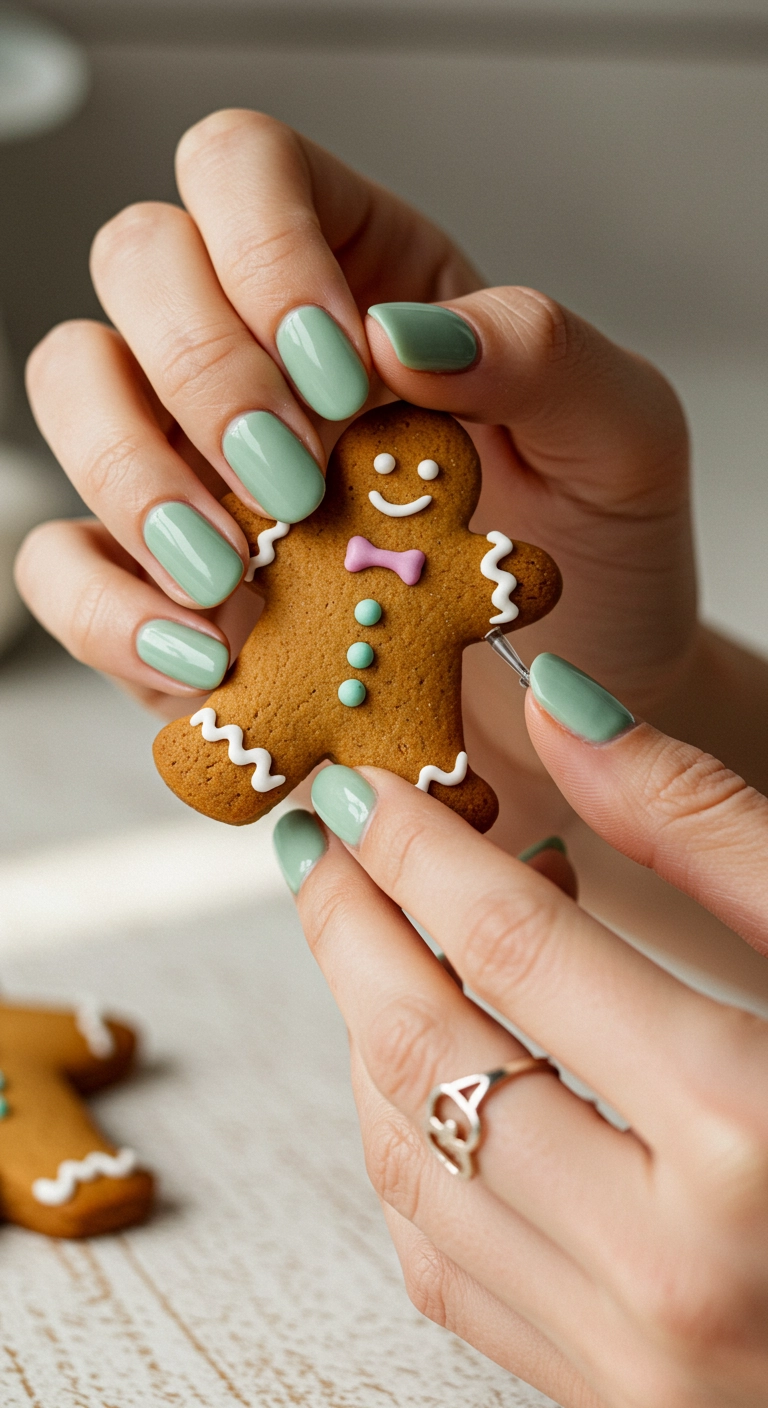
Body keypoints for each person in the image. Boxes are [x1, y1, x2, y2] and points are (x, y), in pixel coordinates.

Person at [15, 109, 768, 1407]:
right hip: (308, 711)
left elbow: (498, 576)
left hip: (409, 738)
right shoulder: (311, 537)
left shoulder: (465, 560)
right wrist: (667, 713)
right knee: (240, 731)